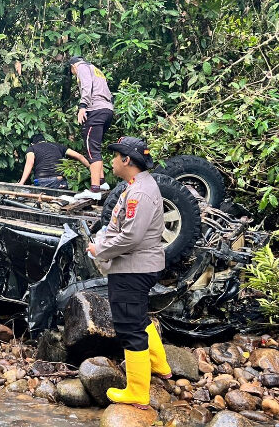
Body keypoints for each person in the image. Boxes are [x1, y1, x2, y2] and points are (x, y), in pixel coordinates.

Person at [86, 136, 171, 409]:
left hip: (134, 268)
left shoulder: (140, 192)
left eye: (115, 156)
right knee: (137, 316)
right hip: (137, 266)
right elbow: (120, 228)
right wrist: (100, 242)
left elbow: (130, 237)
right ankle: (159, 364)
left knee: (128, 326)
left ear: (126, 160)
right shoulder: (135, 186)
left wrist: (100, 251)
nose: (111, 161)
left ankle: (137, 392)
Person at [69, 56, 115, 200]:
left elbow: (86, 86)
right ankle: (101, 183)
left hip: (95, 110)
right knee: (96, 147)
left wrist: (83, 106)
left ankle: (94, 190)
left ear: (73, 67)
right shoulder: (95, 69)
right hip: (107, 110)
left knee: (91, 149)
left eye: (72, 72)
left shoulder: (81, 67)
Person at [17, 134, 92, 189]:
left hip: (43, 181)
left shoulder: (32, 148)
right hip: (59, 180)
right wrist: (91, 169)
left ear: (32, 143)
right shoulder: (58, 146)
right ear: (45, 140)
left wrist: (21, 182)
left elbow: (30, 163)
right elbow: (79, 156)